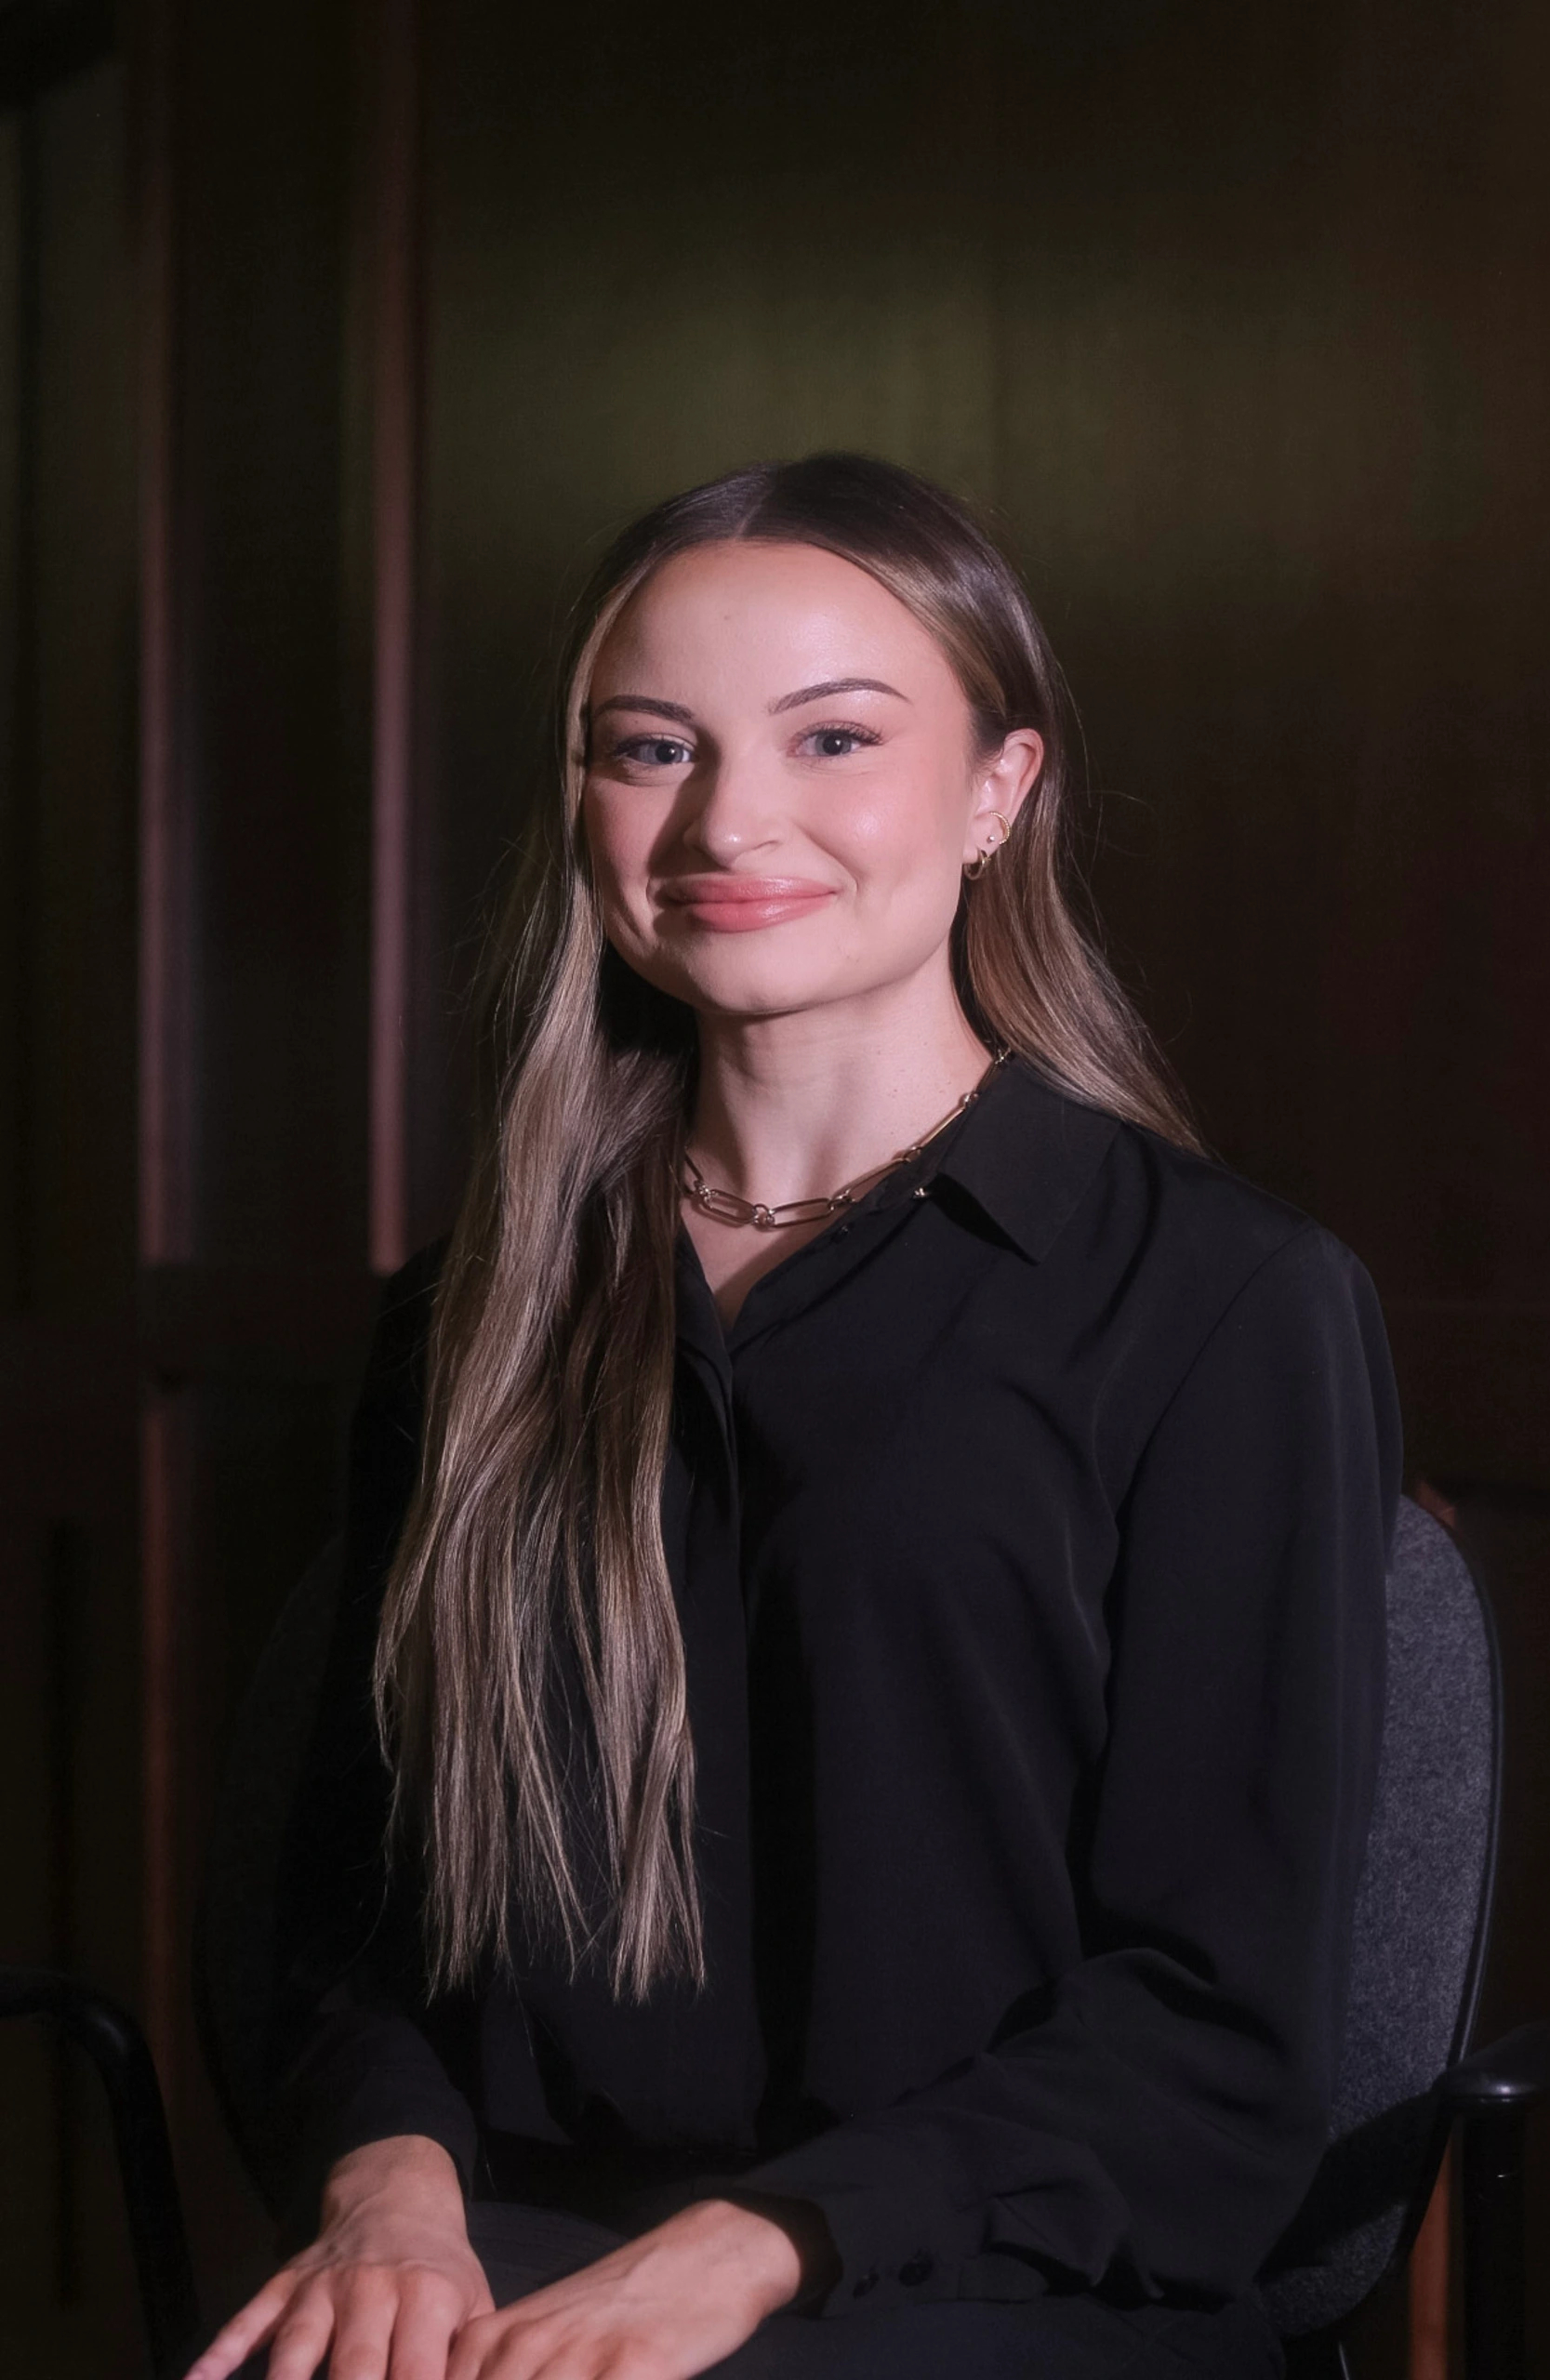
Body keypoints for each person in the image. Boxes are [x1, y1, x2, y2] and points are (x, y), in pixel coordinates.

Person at [188, 453, 1399, 2380]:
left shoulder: (1222, 1303)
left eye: (833, 736)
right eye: (648, 748)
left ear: (1000, 786)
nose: (730, 819)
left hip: (1000, 2268)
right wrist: (387, 2186)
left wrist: (761, 2246)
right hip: (529, 2232)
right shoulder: (473, 1307)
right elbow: (354, 1912)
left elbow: (1213, 2023)